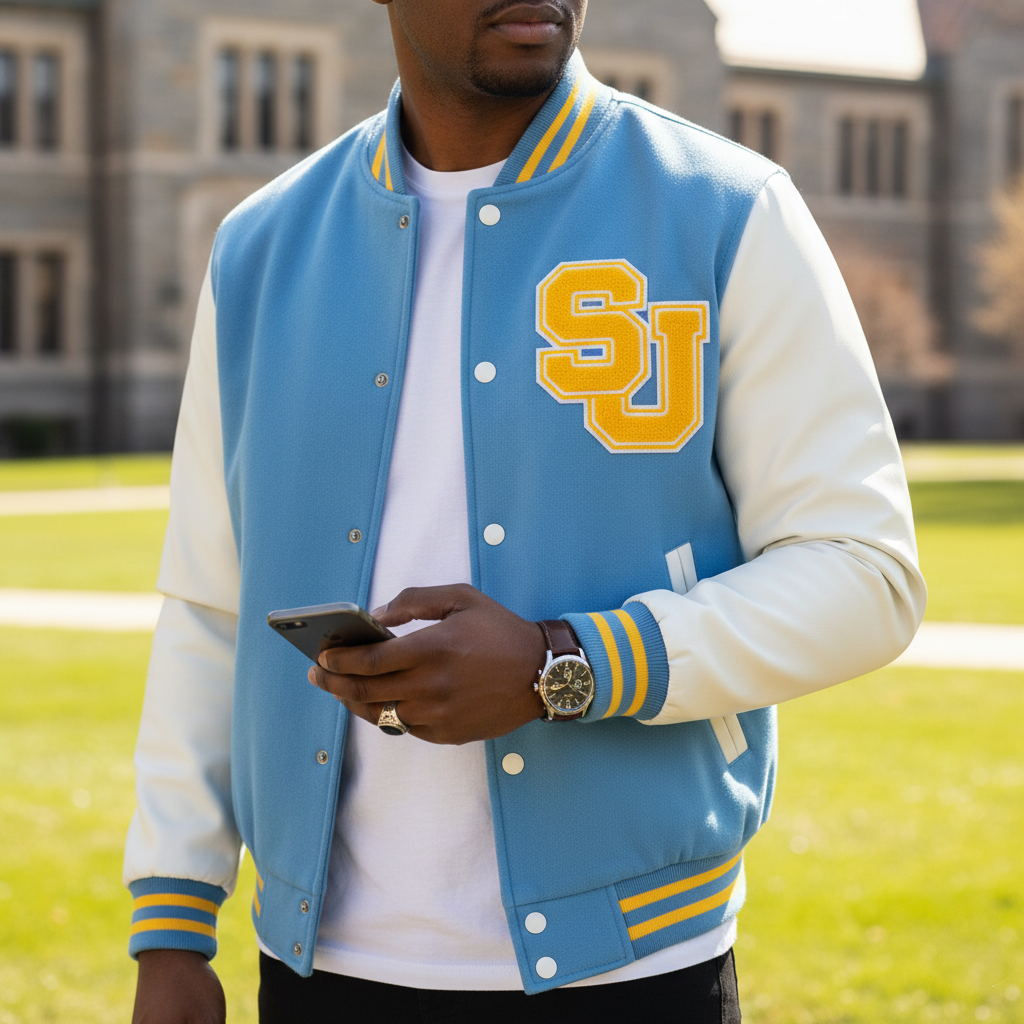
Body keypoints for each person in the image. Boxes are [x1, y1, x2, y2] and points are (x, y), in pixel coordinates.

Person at [124, 0, 927, 1020]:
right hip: (316, 967)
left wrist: (568, 662)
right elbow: (210, 602)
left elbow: (866, 571)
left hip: (632, 972)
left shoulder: (726, 208)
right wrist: (174, 921)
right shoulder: (261, 248)